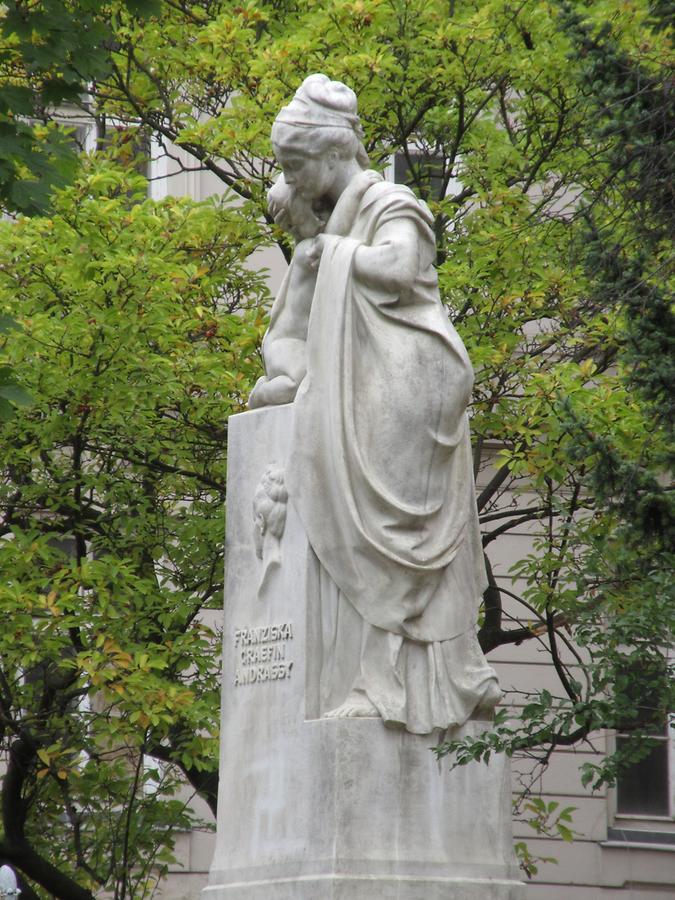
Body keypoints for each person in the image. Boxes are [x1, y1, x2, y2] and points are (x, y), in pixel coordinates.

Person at [252, 73, 500, 734]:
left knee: (393, 541)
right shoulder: (325, 224)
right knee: (350, 528)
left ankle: (404, 681)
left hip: (410, 382)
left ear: (335, 154)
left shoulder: (391, 204)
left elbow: (399, 269)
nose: (292, 180)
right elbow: (285, 332)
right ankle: (374, 677)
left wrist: (325, 252)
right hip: (358, 382)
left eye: (295, 165)